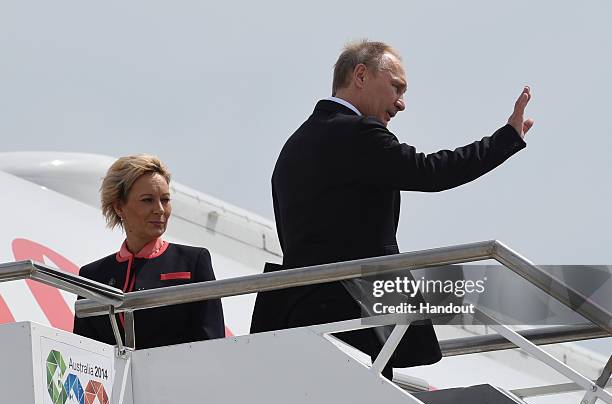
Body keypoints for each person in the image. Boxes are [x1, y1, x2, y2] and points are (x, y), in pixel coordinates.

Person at [250, 40, 533, 378]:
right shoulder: (358, 133)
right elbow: (431, 171)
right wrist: (505, 139)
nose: (401, 104)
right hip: (356, 313)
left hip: (296, 313)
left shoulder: (292, 147)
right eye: (397, 88)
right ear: (360, 75)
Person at [73, 154, 225, 348]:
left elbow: (214, 346)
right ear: (119, 207)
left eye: (165, 199)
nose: (160, 209)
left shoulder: (194, 261)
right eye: (148, 200)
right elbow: (82, 354)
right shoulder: (92, 276)